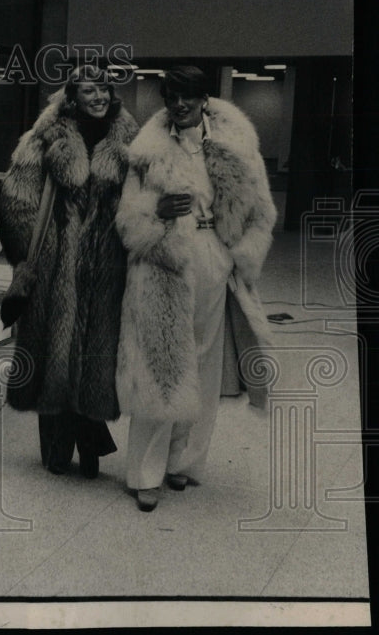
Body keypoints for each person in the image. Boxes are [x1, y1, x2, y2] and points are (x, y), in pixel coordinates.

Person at [114, 66, 276, 512]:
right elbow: (126, 218)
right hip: (163, 257)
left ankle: (183, 462)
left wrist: (239, 256)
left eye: (188, 96)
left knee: (204, 363)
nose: (180, 104)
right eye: (172, 97)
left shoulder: (236, 143)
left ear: (204, 98)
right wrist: (156, 209)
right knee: (159, 363)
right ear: (165, 100)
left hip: (213, 254)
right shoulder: (146, 151)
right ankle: (145, 474)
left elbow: (261, 210)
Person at [0, 65, 140, 478]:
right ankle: (56, 448)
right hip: (56, 264)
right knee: (52, 355)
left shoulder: (130, 140)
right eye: (87, 90)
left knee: (96, 354)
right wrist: (40, 251)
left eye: (103, 89)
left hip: (107, 263)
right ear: (72, 96)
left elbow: (143, 196)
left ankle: (92, 448)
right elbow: (16, 197)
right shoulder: (45, 136)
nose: (97, 97)